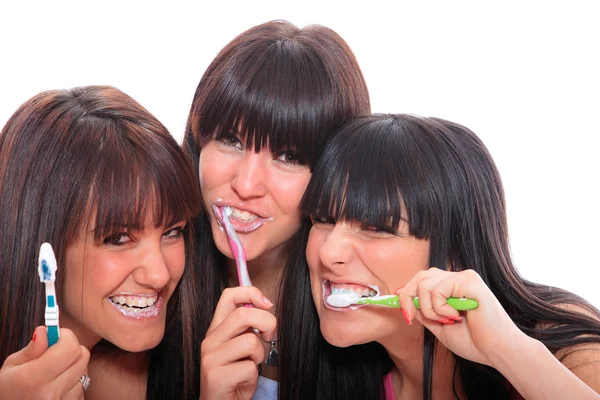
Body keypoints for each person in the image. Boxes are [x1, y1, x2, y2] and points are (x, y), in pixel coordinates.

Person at [302, 113, 600, 399]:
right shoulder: (334, 379)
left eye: (376, 227)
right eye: (323, 219)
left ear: (455, 251)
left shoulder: (568, 345)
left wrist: (504, 350)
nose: (329, 253)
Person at [183, 20, 376, 399]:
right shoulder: (152, 302)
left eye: (287, 156)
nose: (245, 184)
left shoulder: (370, 314)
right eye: (230, 139)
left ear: (331, 175)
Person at [0, 86, 201, 399]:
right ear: (41, 239)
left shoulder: (187, 363)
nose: (159, 275)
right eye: (118, 238)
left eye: (172, 231)